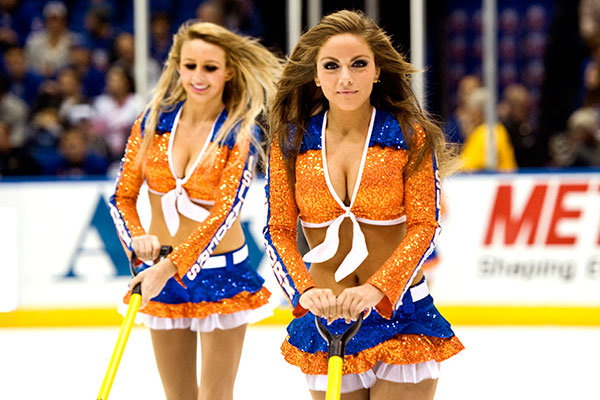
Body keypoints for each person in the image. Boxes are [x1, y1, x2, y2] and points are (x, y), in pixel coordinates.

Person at [264, 10, 463, 400]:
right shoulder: (290, 142)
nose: (345, 78)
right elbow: (279, 230)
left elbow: (427, 224)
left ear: (376, 71)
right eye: (331, 66)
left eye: (358, 64)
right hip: (325, 320)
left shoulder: (409, 134)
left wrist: (378, 289)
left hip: (401, 315)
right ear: (316, 75)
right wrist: (302, 290)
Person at [109, 20, 281, 400]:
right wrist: (137, 237)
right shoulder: (152, 122)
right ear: (177, 67)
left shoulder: (240, 132)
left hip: (221, 275)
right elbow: (122, 196)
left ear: (228, 72)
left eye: (209, 67)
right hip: (160, 276)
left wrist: (167, 268)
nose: (198, 77)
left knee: (215, 396)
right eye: (190, 66)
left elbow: (225, 212)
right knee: (178, 396)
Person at [460, 87, 518, 171]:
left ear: (479, 112)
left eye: (470, 110)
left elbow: (468, 166)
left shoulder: (487, 132)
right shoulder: (497, 129)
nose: (468, 115)